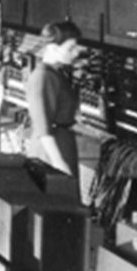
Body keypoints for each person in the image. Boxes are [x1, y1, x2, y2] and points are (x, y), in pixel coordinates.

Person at [25, 20, 84, 178]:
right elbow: (42, 127)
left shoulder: (55, 73)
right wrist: (58, 162)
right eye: (70, 48)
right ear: (52, 48)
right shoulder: (43, 77)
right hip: (50, 150)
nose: (76, 52)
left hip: (61, 142)